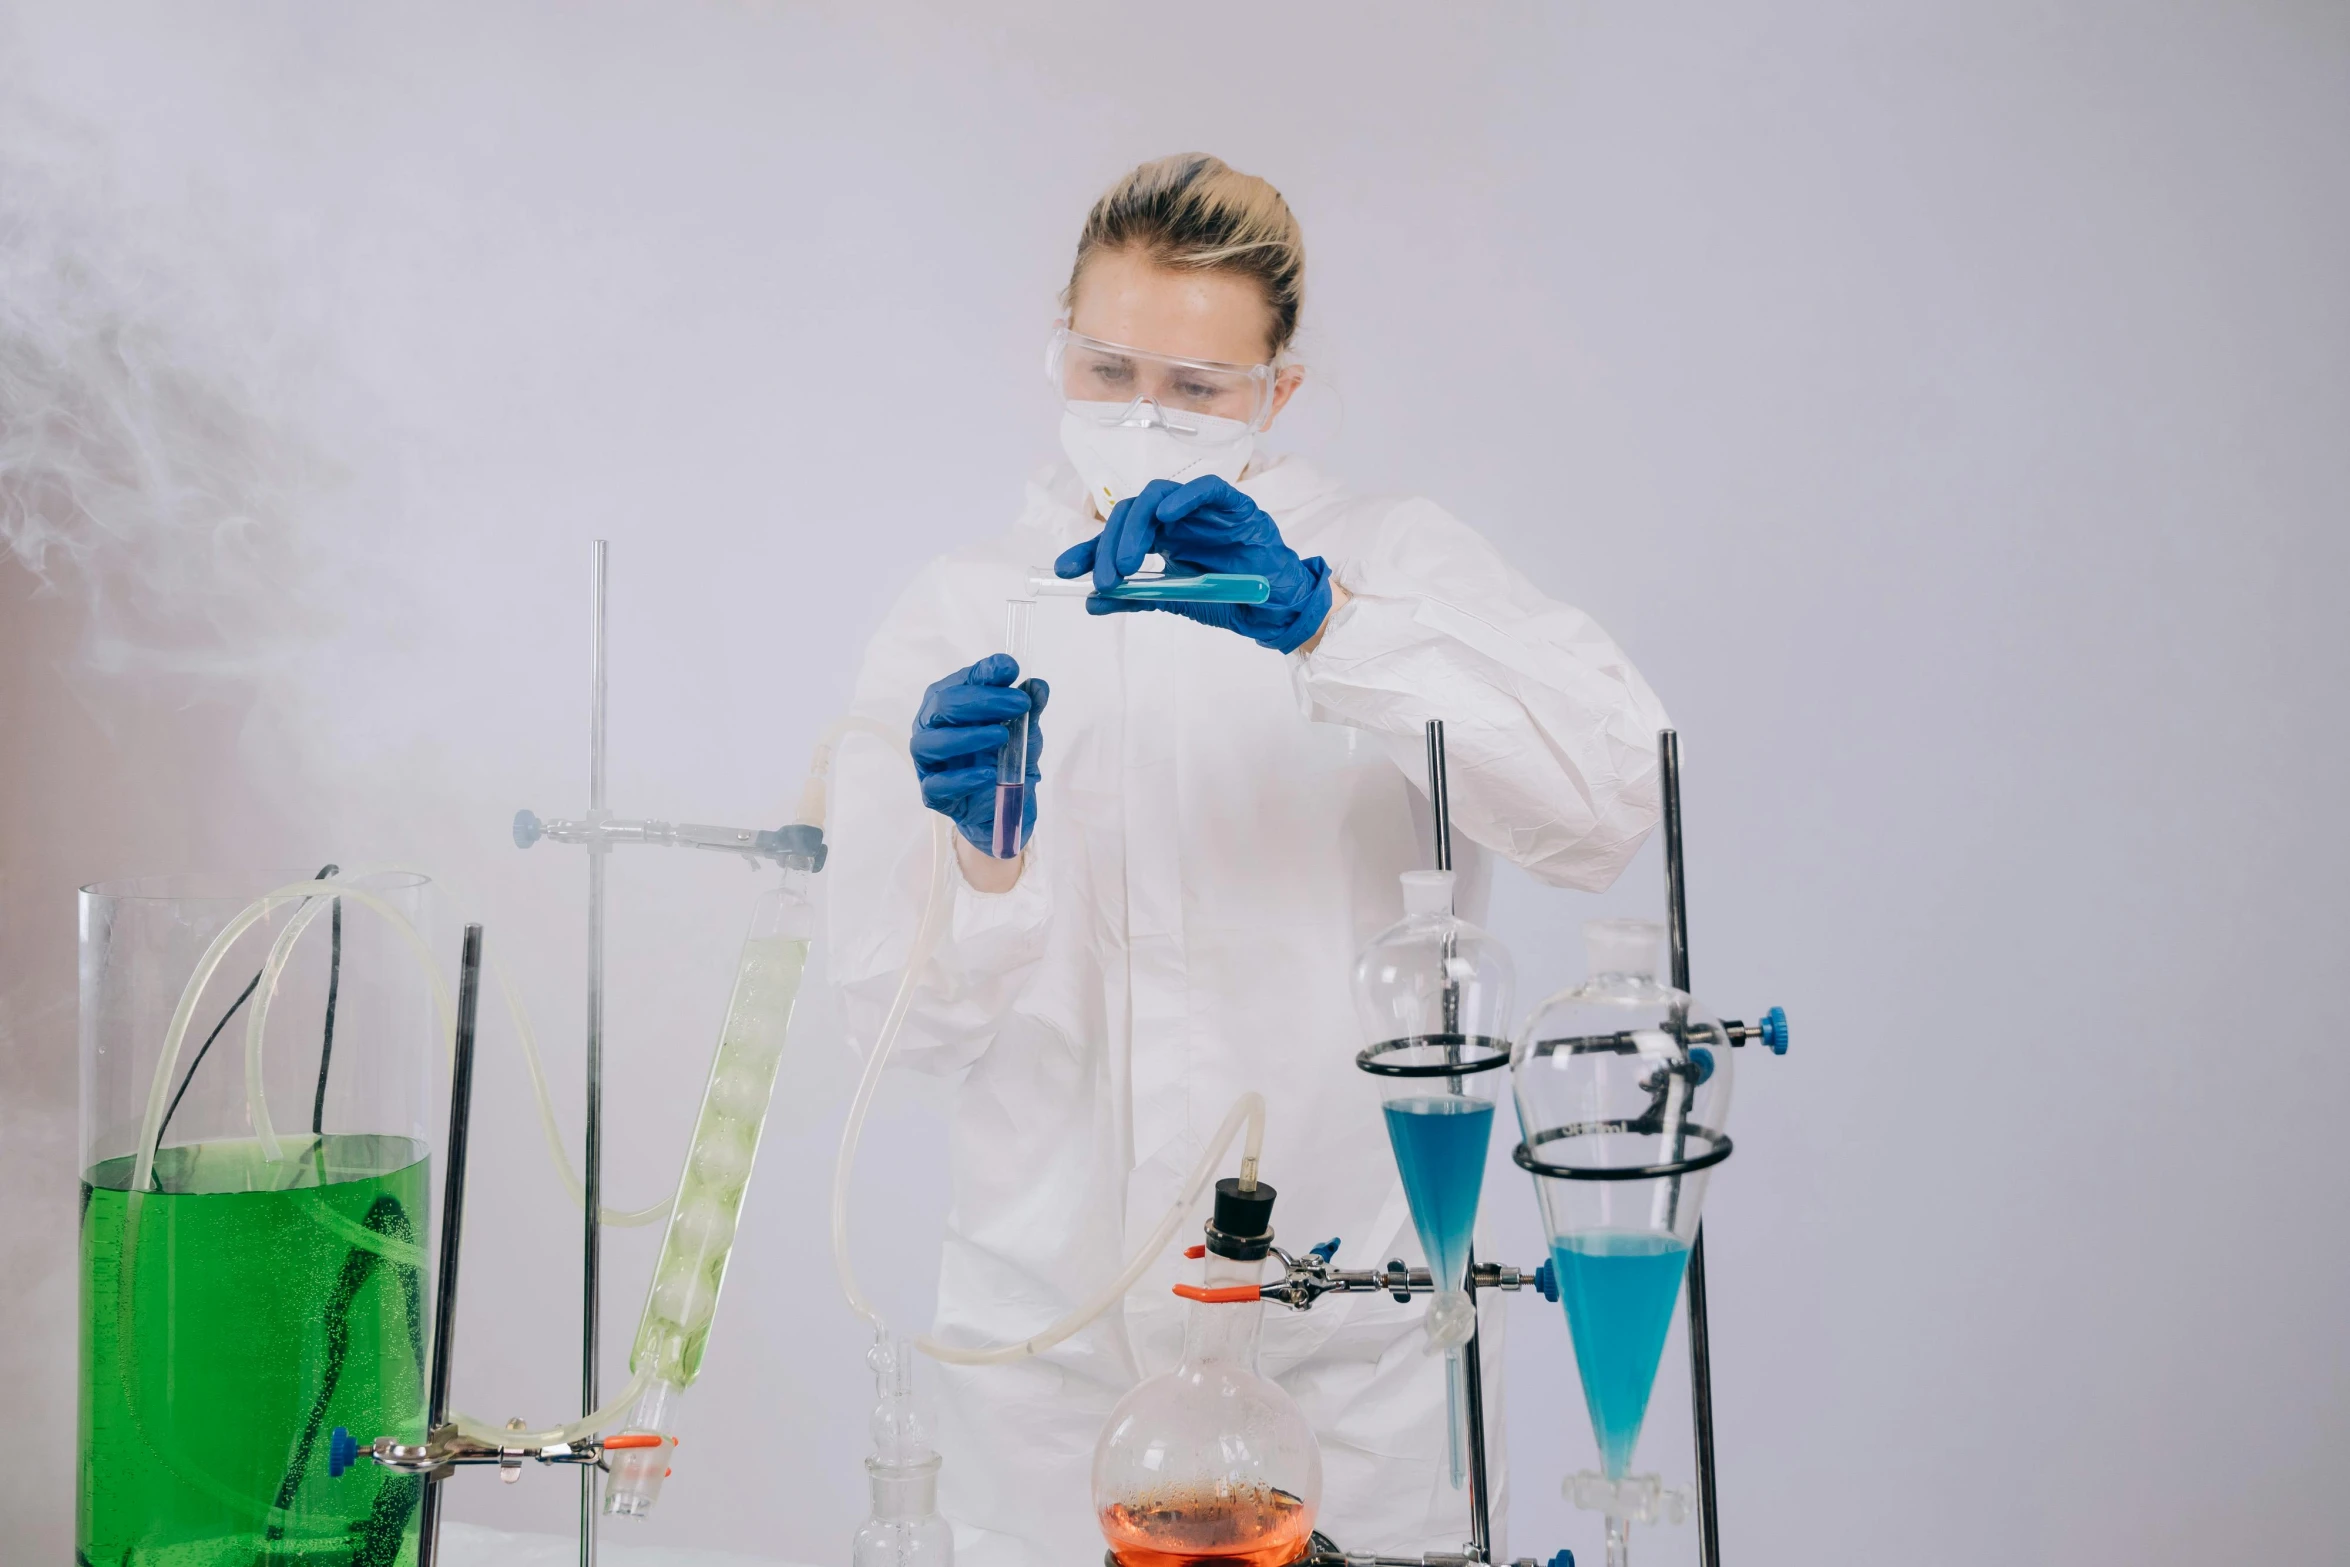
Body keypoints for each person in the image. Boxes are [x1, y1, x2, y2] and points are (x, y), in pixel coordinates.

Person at [825, 153, 1671, 1567]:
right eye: (1107, 369)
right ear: (1055, 351)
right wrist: (976, 865)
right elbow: (893, 1033)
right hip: (1050, 1351)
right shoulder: (965, 613)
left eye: (1198, 391)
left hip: (1351, 1348)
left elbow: (1606, 803)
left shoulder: (1386, 563)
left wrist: (1331, 625)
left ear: (1277, 393)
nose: (1145, 419)